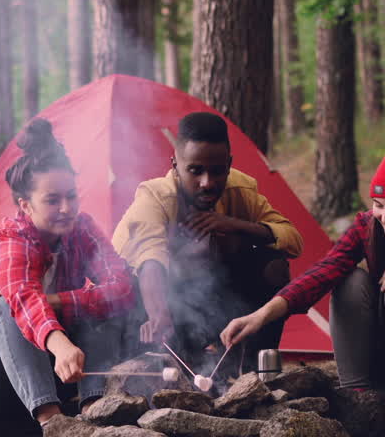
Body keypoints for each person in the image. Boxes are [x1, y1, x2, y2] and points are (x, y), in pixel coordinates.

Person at [220, 139, 385, 434]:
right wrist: (261, 315)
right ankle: (356, 398)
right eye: (379, 205)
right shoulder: (367, 226)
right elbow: (322, 274)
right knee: (348, 279)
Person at [0, 119, 136, 427]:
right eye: (52, 200)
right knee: (4, 305)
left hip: (53, 369)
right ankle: (53, 424)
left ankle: (95, 406)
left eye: (71, 196)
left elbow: (121, 286)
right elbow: (23, 298)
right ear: (26, 205)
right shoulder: (10, 238)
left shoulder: (82, 229)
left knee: (97, 304)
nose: (66, 208)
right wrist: (60, 342)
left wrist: (58, 300)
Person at [111, 111, 302, 374]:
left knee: (273, 266)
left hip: (206, 302)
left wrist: (232, 225)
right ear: (175, 164)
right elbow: (149, 259)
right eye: (195, 171)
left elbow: (293, 240)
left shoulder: (240, 190)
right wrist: (158, 313)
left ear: (229, 164)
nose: (207, 183)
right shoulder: (154, 197)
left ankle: (250, 369)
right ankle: (174, 359)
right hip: (145, 309)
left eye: (217, 171)